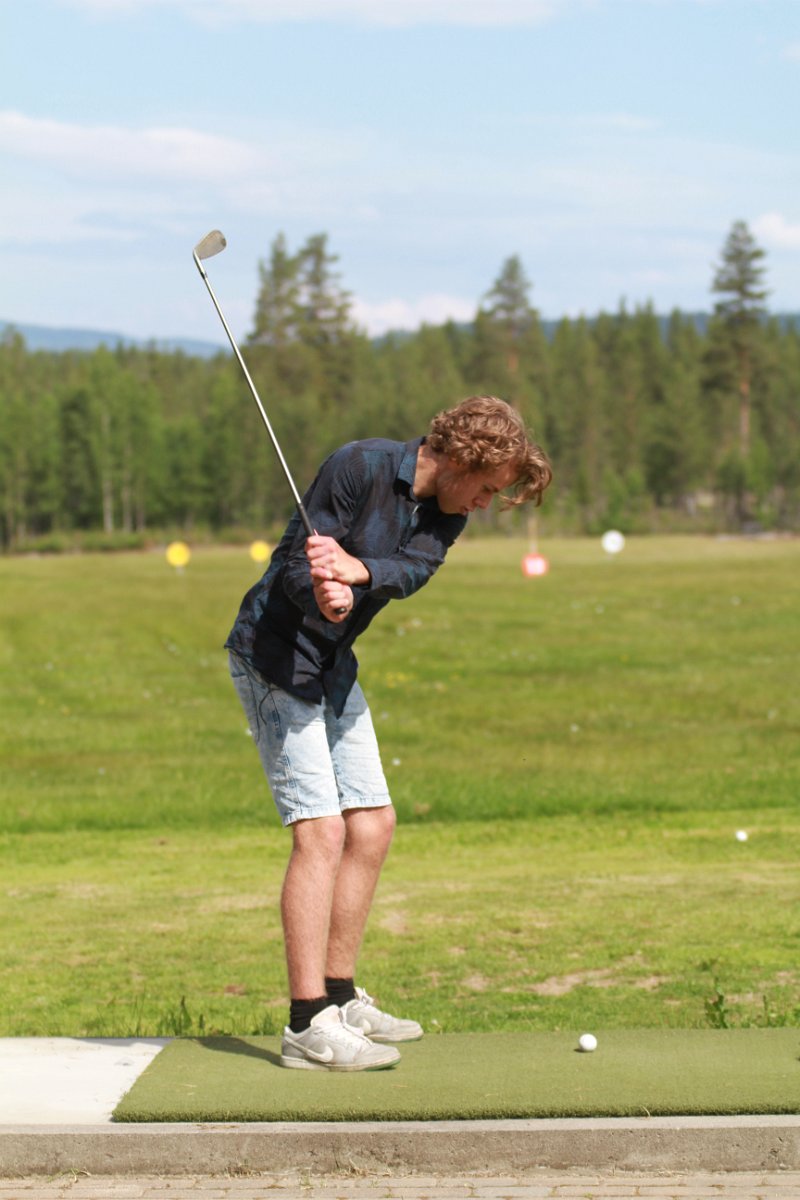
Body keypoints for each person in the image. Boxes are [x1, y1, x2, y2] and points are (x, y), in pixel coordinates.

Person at [225, 394, 552, 1071]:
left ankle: (340, 997)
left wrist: (359, 574)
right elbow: (295, 567)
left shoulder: (447, 514)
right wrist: (324, 591)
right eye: (487, 488)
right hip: (275, 657)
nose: (485, 503)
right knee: (321, 831)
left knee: (372, 825)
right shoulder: (358, 466)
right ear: (461, 459)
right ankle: (306, 1024)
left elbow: (413, 570)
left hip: (332, 664)